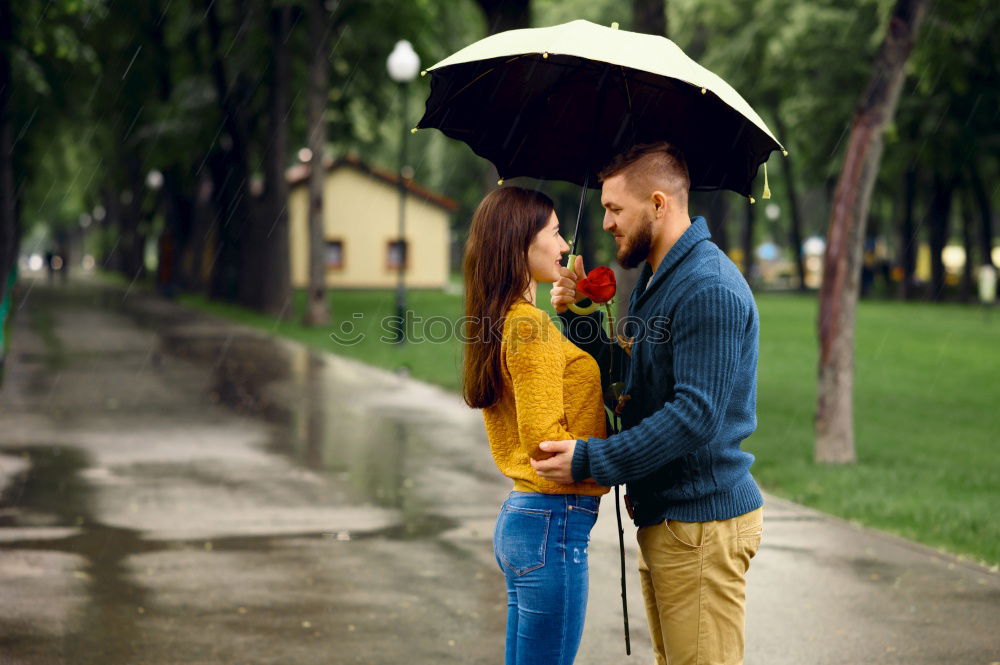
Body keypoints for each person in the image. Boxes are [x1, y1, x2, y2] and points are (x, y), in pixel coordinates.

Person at [531, 142, 765, 665]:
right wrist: (582, 318)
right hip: (671, 523)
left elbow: (694, 417)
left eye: (615, 209)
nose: (608, 222)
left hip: (701, 526)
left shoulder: (707, 287)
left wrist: (592, 461)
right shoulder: (661, 280)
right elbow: (633, 380)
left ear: (658, 204)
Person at [461, 186, 609, 665]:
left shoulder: (504, 320)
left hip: (530, 522)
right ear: (519, 243)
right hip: (553, 521)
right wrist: (614, 459)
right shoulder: (530, 327)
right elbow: (545, 443)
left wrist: (579, 311)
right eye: (555, 232)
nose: (565, 245)